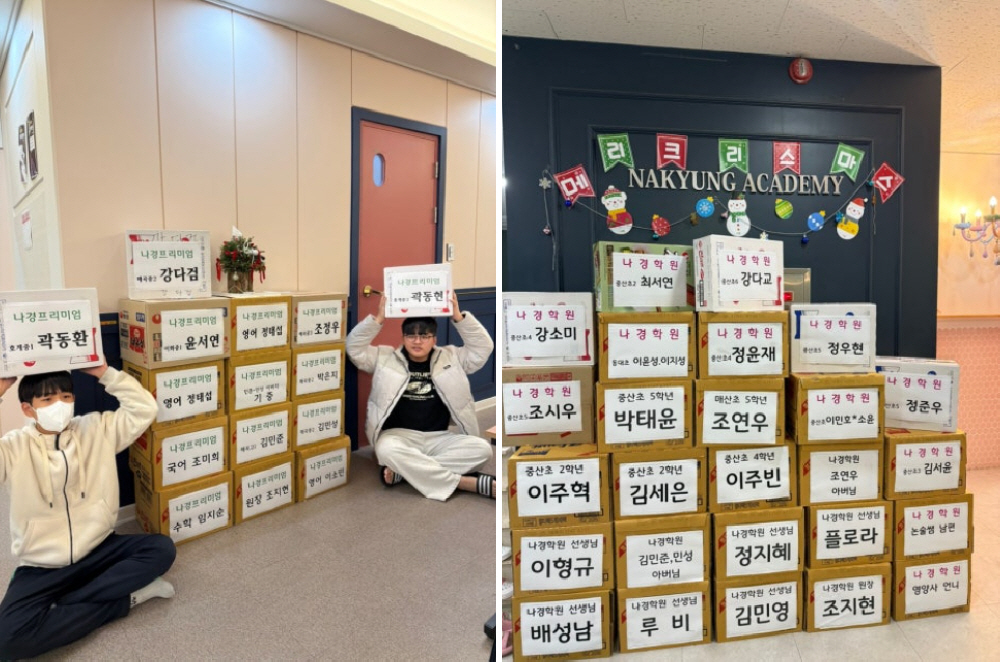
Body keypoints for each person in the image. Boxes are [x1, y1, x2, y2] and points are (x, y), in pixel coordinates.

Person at [0, 361, 176, 659]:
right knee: (6, 642)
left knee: (162, 549)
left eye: (66, 397)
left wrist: (105, 374)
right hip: (42, 565)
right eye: (47, 399)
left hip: (99, 547)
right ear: (28, 409)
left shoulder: (96, 428)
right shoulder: (12, 448)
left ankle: (69, 602)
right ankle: (124, 600)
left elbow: (144, 409)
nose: (59, 405)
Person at [347, 293, 495, 501]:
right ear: (403, 338)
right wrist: (378, 319)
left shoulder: (452, 357)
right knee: (385, 450)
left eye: (424, 336)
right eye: (411, 336)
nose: (417, 341)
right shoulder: (384, 357)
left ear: (434, 339)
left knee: (482, 450)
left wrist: (458, 317)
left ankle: (405, 472)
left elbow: (483, 348)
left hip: (440, 437)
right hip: (399, 436)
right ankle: (464, 482)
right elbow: (354, 348)